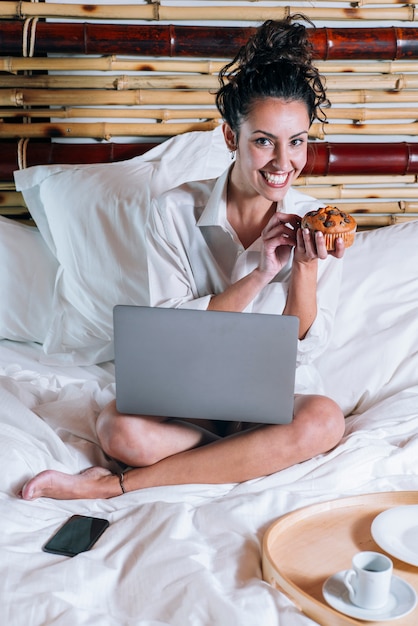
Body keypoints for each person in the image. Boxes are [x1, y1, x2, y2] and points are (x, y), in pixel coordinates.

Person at [21, 15, 346, 501]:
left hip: (269, 402)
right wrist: (260, 275)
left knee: (325, 420)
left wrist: (302, 268)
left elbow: (304, 351)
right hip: (187, 400)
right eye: (264, 141)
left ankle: (115, 485)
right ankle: (239, 453)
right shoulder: (172, 210)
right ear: (230, 137)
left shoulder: (314, 224)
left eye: (296, 141)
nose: (284, 163)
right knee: (120, 432)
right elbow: (177, 332)